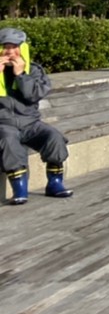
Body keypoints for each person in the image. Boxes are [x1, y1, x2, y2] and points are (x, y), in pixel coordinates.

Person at [0, 27, 72, 204]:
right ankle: (20, 189)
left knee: (54, 137)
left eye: (14, 47)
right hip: (4, 123)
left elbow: (35, 94)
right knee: (8, 140)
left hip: (31, 123)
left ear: (22, 48)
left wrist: (21, 75)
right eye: (5, 47)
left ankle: (55, 183)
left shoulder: (33, 70)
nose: (10, 52)